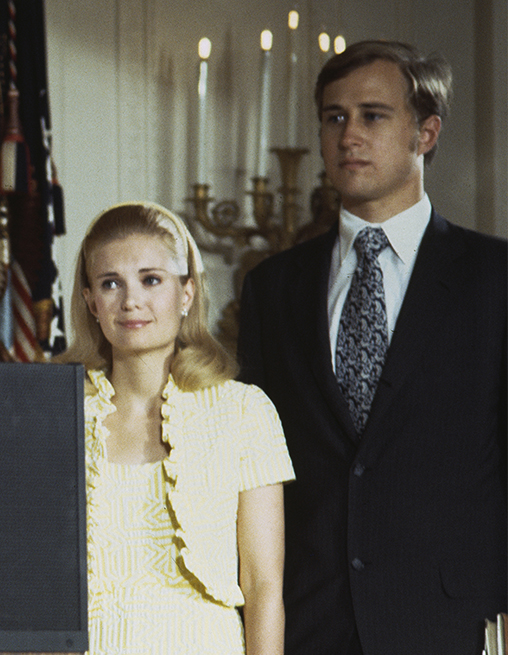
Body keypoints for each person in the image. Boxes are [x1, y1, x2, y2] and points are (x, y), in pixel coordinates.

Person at [238, 40, 507, 655]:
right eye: (334, 117)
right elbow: (256, 471)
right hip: (312, 623)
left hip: (457, 627)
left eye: (373, 115)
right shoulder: (272, 287)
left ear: (426, 132)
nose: (348, 134)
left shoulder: (495, 278)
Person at [56, 202, 294, 654]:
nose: (131, 301)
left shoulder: (245, 412)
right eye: (111, 284)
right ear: (91, 301)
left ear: (186, 293)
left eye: (151, 280)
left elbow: (263, 586)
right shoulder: (54, 413)